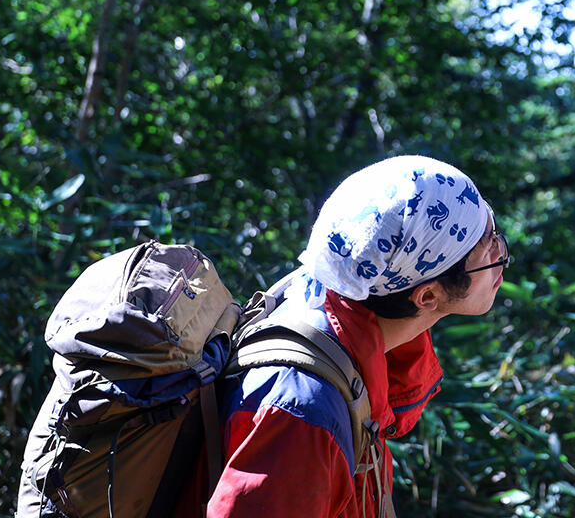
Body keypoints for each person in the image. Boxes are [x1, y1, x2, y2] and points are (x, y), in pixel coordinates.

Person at [205, 155, 510, 517]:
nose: (502, 254)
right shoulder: (303, 411)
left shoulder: (334, 297)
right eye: (487, 247)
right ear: (427, 296)